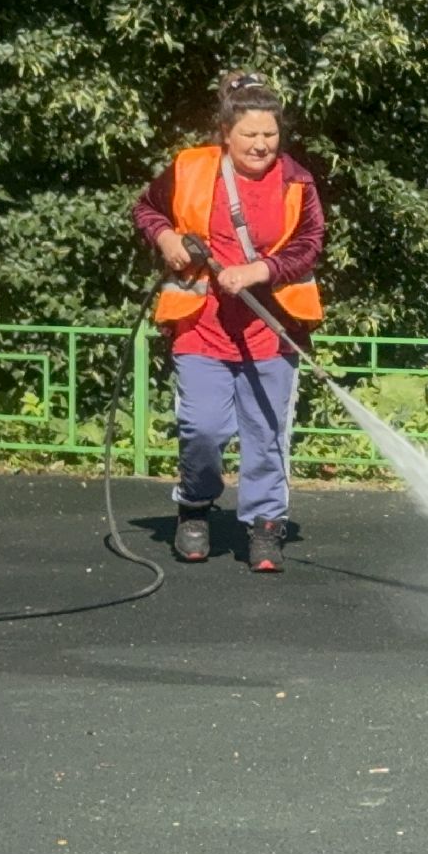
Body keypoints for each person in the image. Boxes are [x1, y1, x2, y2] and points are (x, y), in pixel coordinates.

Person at [133, 71, 324, 571]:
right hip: (202, 326)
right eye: (250, 135)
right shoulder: (191, 168)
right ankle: (195, 507)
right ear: (225, 132)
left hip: (271, 330)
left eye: (270, 135)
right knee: (203, 428)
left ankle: (264, 527)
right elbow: (148, 210)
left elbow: (309, 245)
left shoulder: (296, 181)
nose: (262, 145)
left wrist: (261, 269)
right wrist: (169, 241)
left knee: (266, 436)